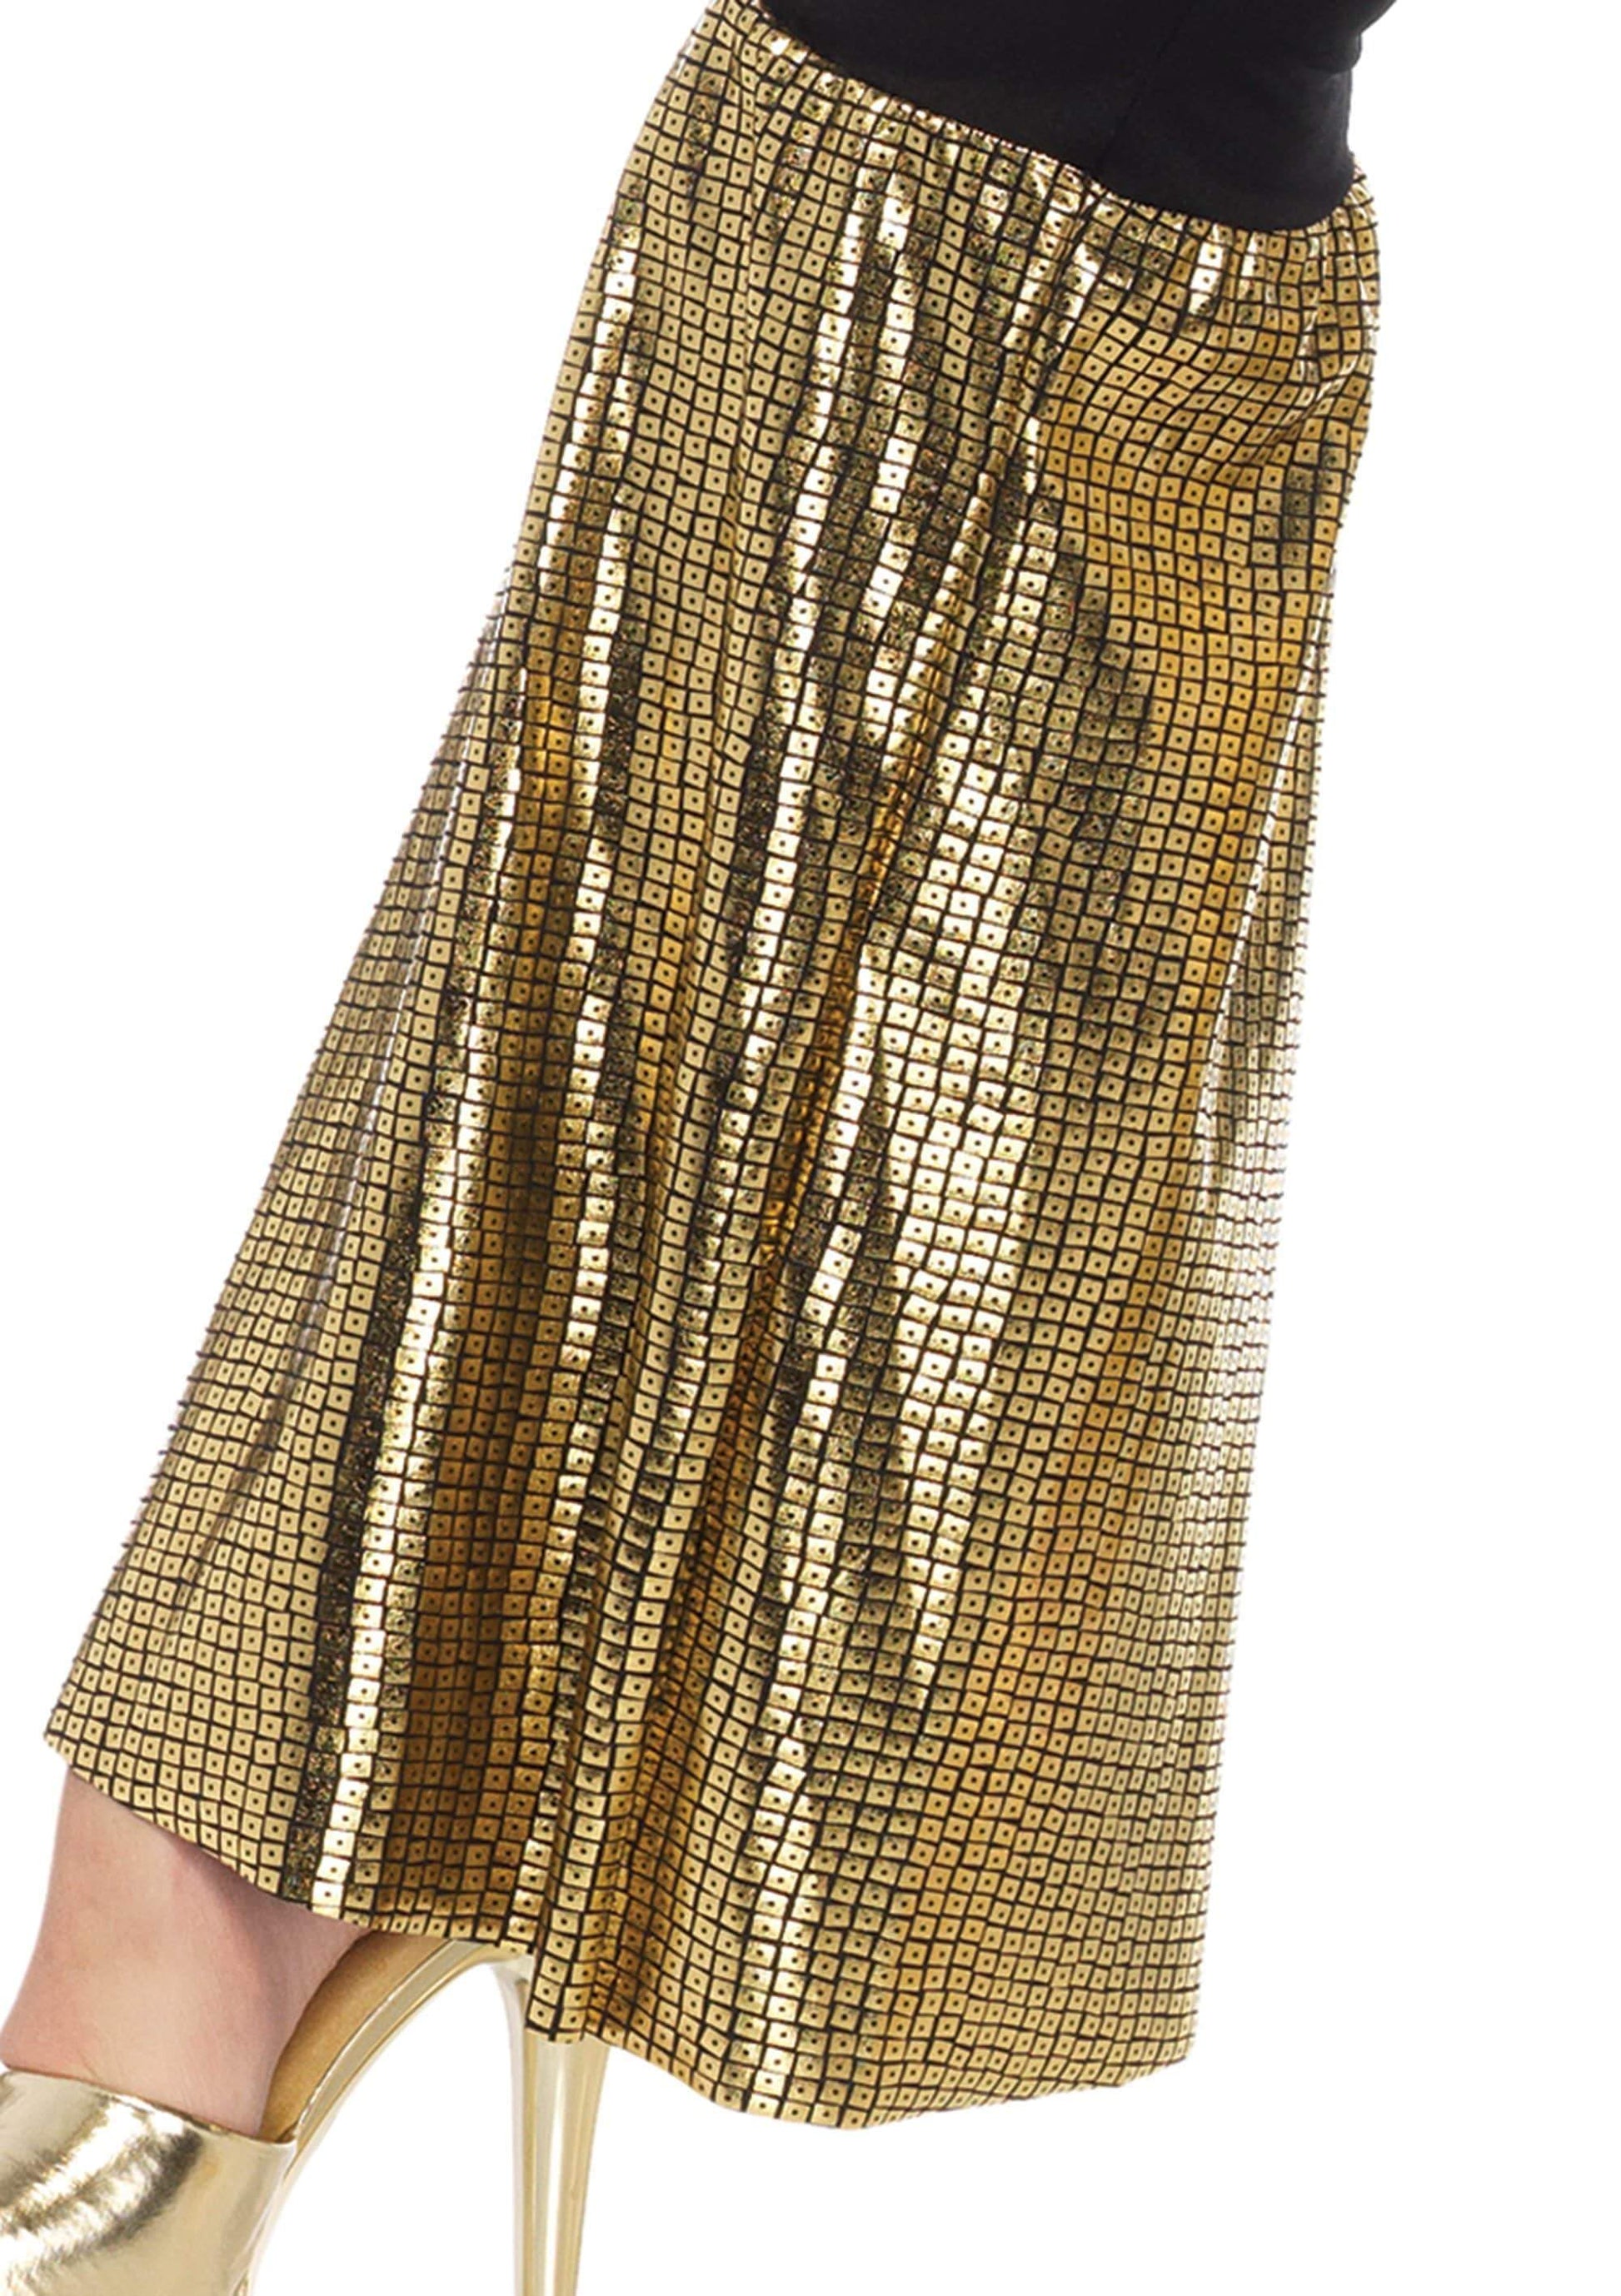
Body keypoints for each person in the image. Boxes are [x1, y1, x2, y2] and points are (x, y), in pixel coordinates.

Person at [0, 0, 1395, 2288]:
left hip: (1039, 270)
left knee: (751, 1037)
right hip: (935, 272)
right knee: (651, 984)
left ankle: (283, 1839)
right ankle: (231, 1849)